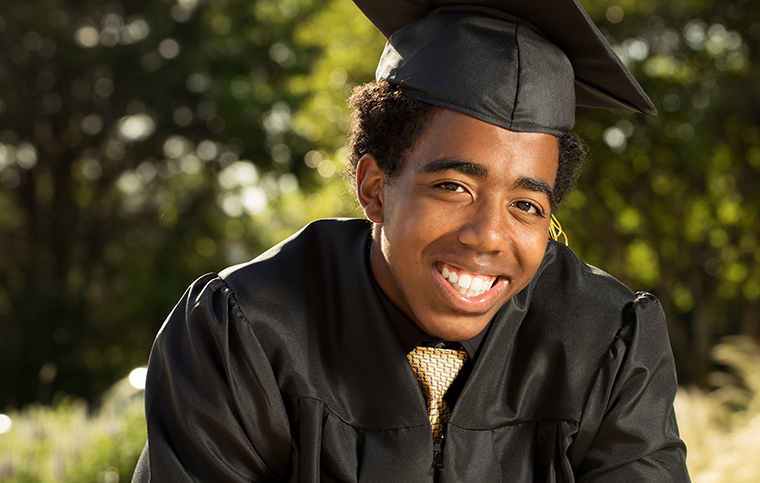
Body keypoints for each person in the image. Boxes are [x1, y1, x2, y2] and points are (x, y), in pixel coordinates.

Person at [133, 0, 691, 481]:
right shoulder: (245, 334)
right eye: (453, 187)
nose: (489, 236)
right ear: (374, 189)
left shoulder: (608, 343)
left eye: (526, 205)